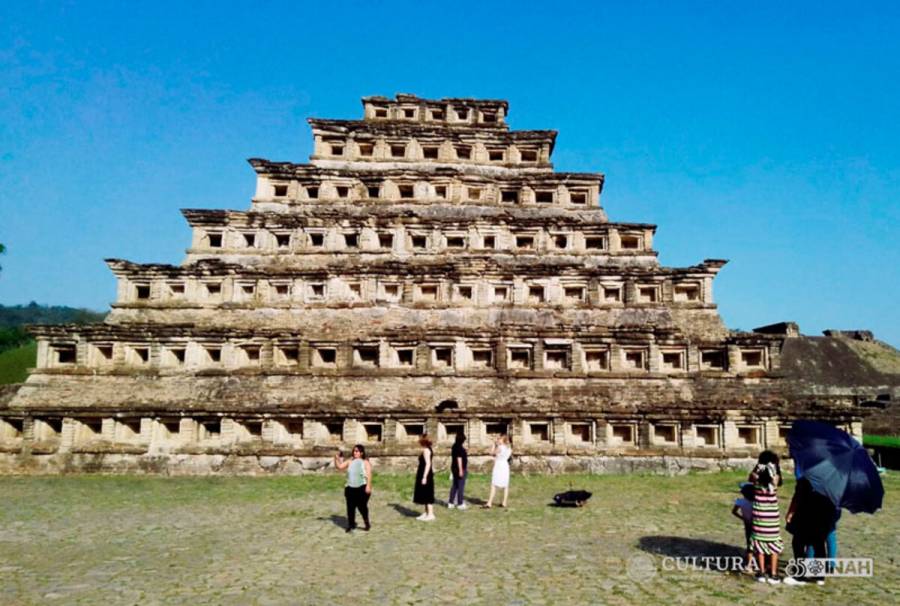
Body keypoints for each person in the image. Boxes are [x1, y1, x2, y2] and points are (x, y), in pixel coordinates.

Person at [783, 475, 837, 586]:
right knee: (819, 545)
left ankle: (800, 575)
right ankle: (819, 576)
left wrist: (791, 511)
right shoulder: (831, 479)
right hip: (823, 516)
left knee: (798, 544)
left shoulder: (806, 478)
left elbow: (798, 496)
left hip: (806, 515)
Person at [747, 450, 784, 584]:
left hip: (759, 514)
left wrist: (758, 470)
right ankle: (773, 573)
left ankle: (761, 572)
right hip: (772, 516)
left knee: (760, 544)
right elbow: (776, 480)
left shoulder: (756, 477)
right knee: (773, 544)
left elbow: (750, 478)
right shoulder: (775, 477)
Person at [333, 444, 372, 533]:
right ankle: (351, 524)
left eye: (357, 451)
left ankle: (366, 522)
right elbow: (340, 467)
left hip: (361, 487)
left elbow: (369, 474)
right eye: (354, 451)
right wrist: (336, 459)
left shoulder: (365, 462)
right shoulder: (350, 461)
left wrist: (368, 486)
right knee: (350, 507)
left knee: (362, 507)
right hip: (350, 487)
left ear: (361, 453)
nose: (355, 452)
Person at [731, 482, 755, 571]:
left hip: (748, 524)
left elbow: (734, 512)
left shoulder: (740, 502)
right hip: (758, 525)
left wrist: (743, 518)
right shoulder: (756, 503)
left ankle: (749, 565)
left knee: (750, 544)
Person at [485, 434, 512, 508]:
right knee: (505, 485)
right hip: (505, 465)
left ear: (503, 440)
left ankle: (489, 502)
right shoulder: (509, 448)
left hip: (499, 465)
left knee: (494, 484)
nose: (498, 440)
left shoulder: (500, 447)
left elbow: (491, 453)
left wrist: (494, 445)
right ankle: (504, 502)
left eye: (500, 439)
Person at [413, 434, 435, 521]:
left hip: (425, 474)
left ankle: (430, 514)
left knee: (427, 493)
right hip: (424, 473)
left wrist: (424, 477)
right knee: (424, 493)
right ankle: (426, 512)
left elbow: (428, 464)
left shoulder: (426, 450)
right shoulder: (428, 449)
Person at [448, 432, 468, 509]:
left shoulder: (454, 446)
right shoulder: (459, 448)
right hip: (460, 468)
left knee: (455, 485)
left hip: (454, 468)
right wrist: (461, 470)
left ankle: (450, 502)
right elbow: (459, 459)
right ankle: (460, 503)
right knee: (460, 486)